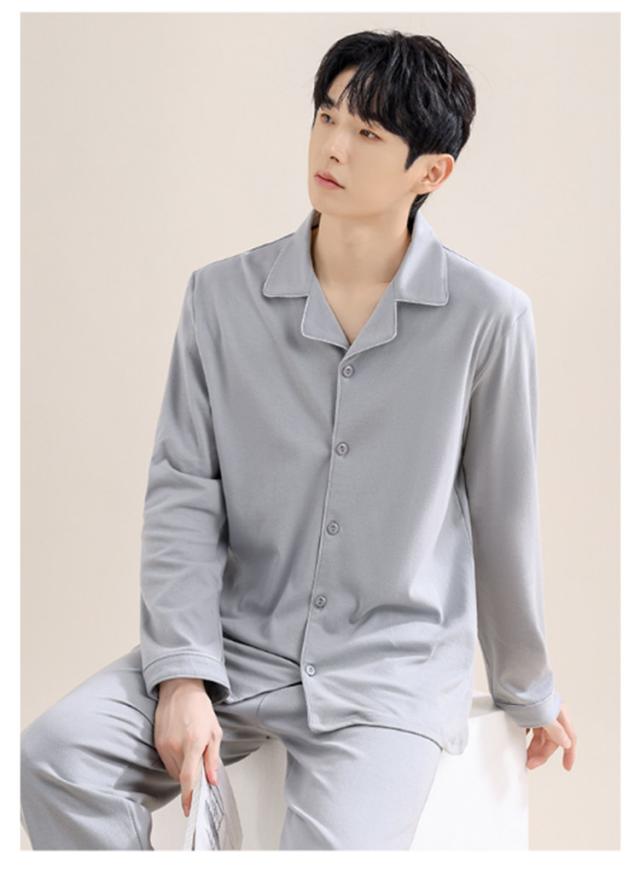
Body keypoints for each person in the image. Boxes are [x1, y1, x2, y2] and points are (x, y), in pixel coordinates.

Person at [20, 28, 577, 851]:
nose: (333, 146)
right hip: (235, 651)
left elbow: (505, 515)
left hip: (384, 678)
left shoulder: (488, 319)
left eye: (368, 132)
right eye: (327, 116)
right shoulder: (220, 299)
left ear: (430, 173)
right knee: (57, 757)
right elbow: (183, 495)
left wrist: (529, 689)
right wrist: (181, 676)